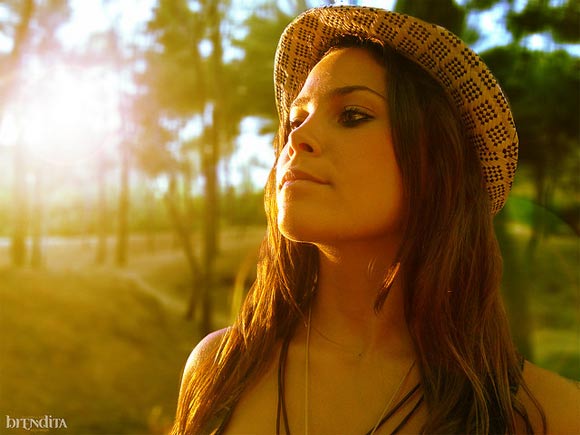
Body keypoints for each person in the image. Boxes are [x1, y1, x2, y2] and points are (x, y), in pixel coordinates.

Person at [171, 6, 579, 434]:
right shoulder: (218, 369)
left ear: (436, 162)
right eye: (296, 120)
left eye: (352, 115)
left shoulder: (544, 414)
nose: (297, 138)